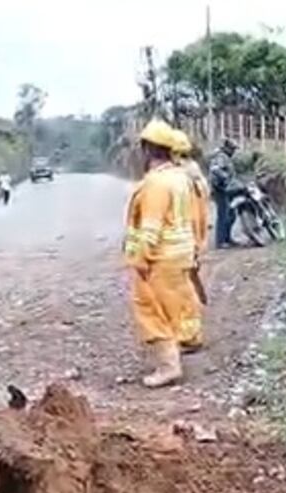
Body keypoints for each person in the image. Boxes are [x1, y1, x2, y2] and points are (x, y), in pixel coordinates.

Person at [123, 118, 202, 388]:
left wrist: (141, 259)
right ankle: (183, 344)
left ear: (147, 149)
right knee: (174, 304)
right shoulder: (180, 177)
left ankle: (169, 366)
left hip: (161, 256)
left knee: (150, 308)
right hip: (181, 252)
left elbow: (150, 228)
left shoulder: (156, 183)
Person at [171, 129, 209, 351]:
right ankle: (187, 332)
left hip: (183, 239)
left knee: (182, 289)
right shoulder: (195, 175)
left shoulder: (181, 176)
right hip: (192, 237)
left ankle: (190, 336)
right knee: (186, 285)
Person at [208, 137, 239, 249]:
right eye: (232, 149)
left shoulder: (226, 157)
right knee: (223, 215)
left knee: (231, 214)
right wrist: (225, 178)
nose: (233, 152)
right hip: (220, 189)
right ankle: (220, 241)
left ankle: (227, 238)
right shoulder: (221, 157)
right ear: (227, 148)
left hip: (227, 188)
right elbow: (215, 170)